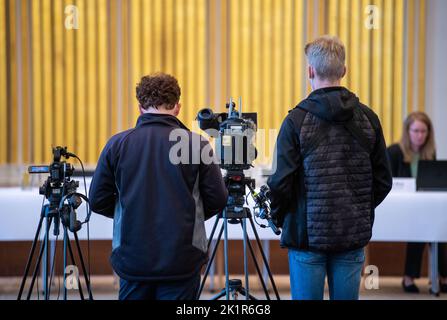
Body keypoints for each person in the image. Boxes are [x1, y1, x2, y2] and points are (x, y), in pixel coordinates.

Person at [267, 35, 392, 300]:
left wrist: (278, 217)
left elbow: (280, 182)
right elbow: (383, 180)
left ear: (310, 71)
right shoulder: (368, 118)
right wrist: (359, 207)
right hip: (351, 234)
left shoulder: (296, 121)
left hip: (306, 237)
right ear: (344, 71)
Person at [89, 73, 228, 300]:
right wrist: (191, 214)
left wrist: (129, 212)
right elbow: (218, 199)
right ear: (177, 107)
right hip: (182, 258)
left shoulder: (117, 144)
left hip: (132, 257)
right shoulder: (196, 144)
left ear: (140, 107)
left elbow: (97, 200)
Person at [387, 111, 447, 293]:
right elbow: (388, 182)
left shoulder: (430, 153)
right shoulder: (394, 152)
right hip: (398, 207)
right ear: (408, 131)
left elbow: (432, 182)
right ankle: (416, 277)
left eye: (424, 131)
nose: (420, 135)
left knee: (436, 226)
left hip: (421, 207)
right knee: (424, 225)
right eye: (416, 131)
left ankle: (436, 276)